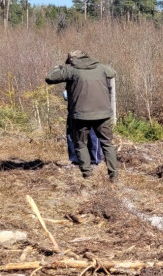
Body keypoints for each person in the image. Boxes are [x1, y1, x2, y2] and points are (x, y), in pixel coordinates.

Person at [45, 50, 118, 182]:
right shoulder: (101, 68)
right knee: (107, 143)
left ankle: (87, 175)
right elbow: (112, 72)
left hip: (81, 115)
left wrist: (58, 68)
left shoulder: (71, 70)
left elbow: (50, 78)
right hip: (103, 113)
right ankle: (114, 176)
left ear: (72, 59)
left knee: (80, 144)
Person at [63, 89, 103, 167]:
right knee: (72, 135)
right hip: (74, 109)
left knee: (93, 135)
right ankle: (76, 160)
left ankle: (94, 161)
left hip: (91, 109)